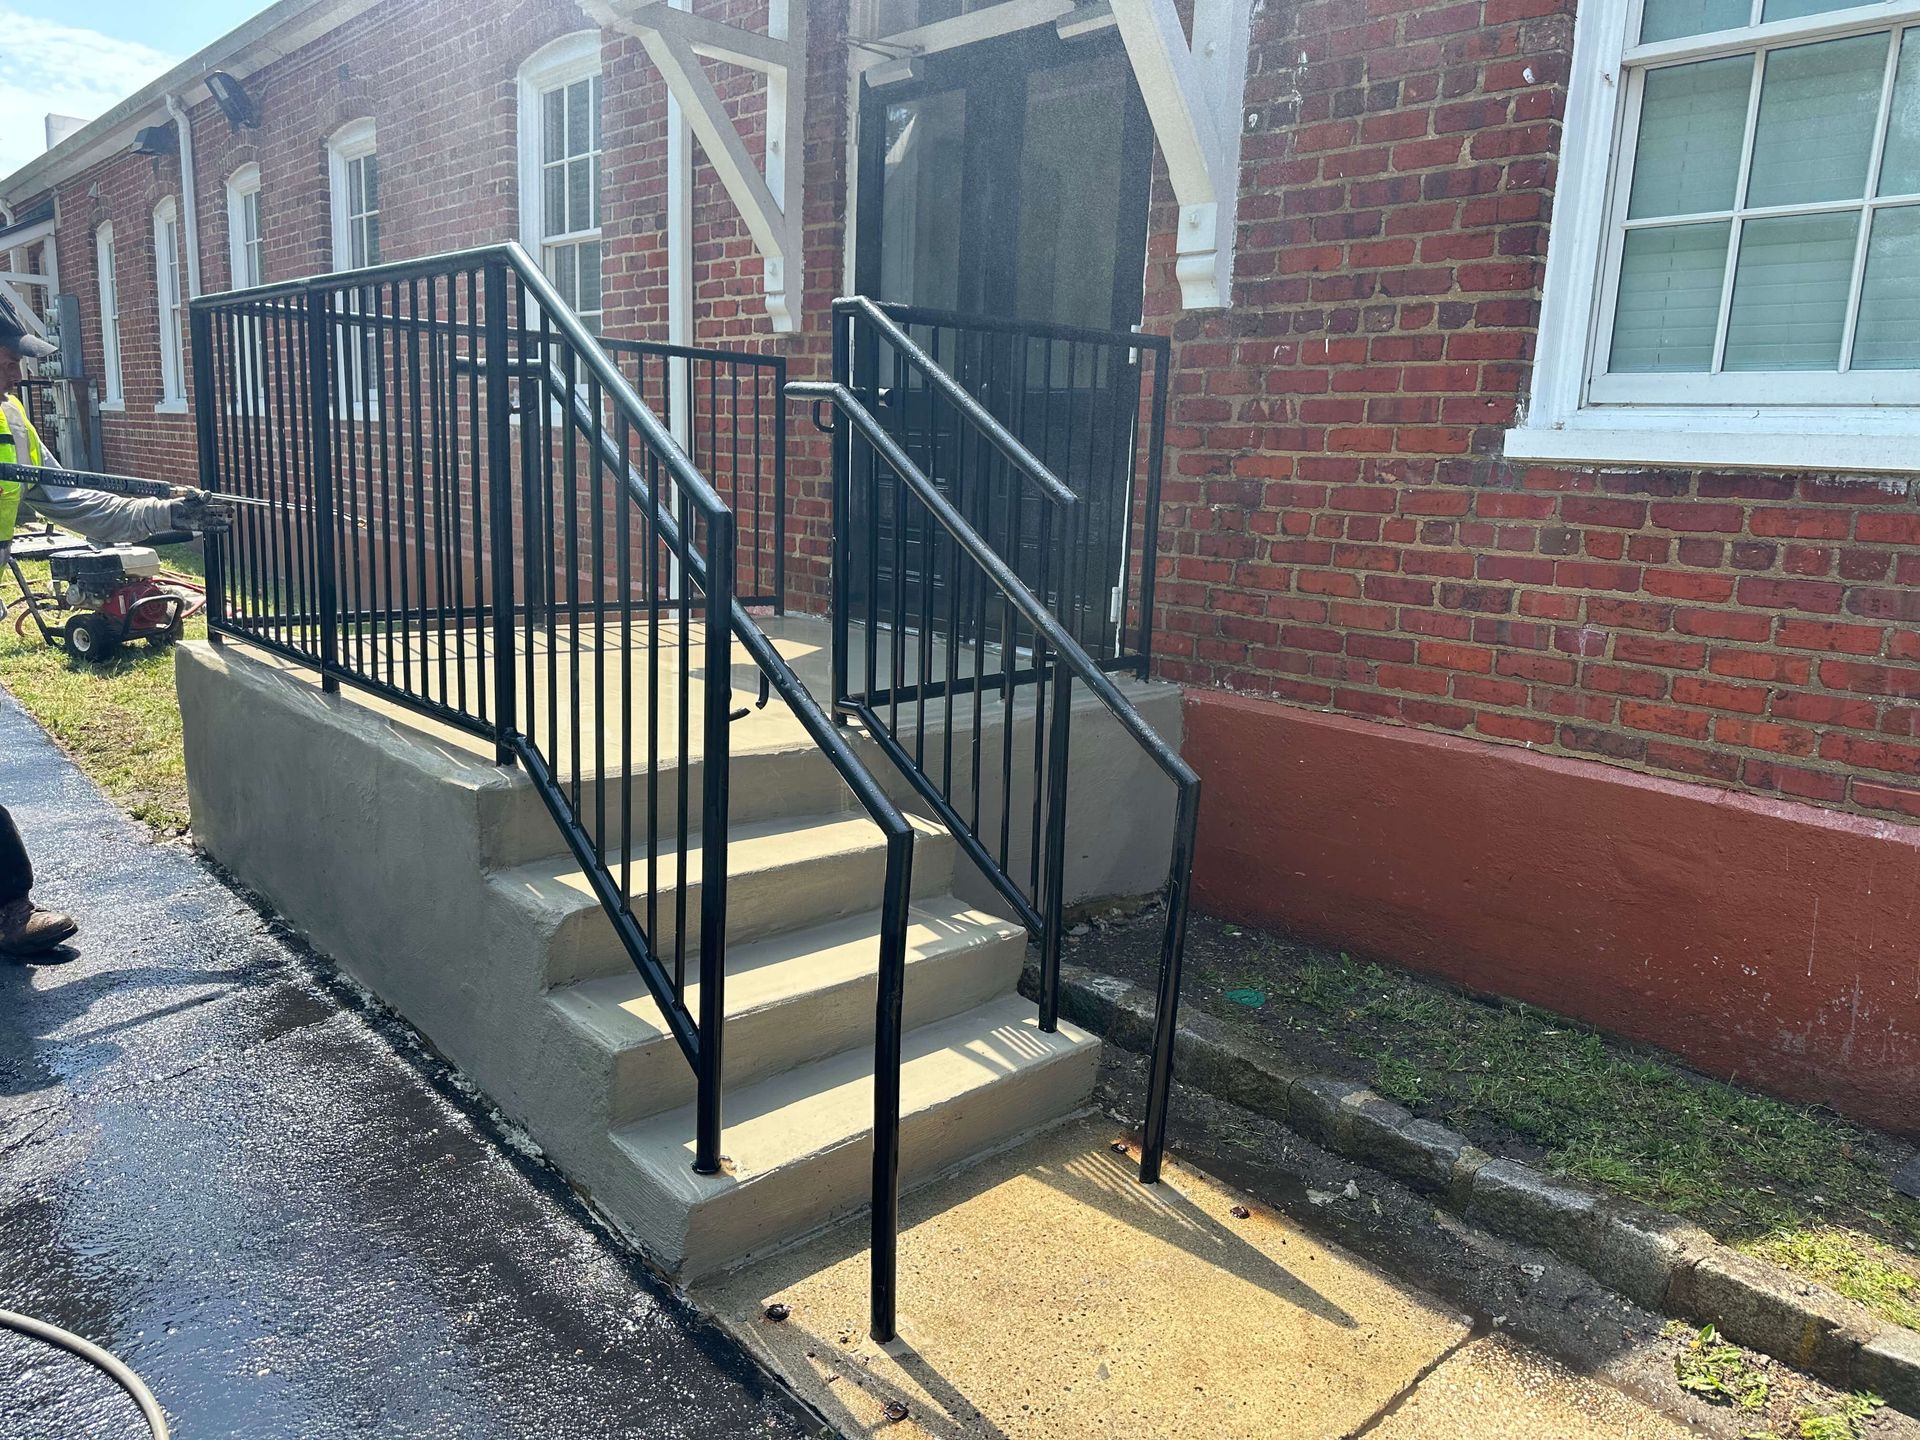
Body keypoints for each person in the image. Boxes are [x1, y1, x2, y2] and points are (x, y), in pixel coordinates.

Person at [0, 305, 229, 959]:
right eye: (9, 354)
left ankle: (7, 907)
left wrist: (171, 513)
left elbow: (81, 504)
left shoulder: (10, 420)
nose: (18, 371)